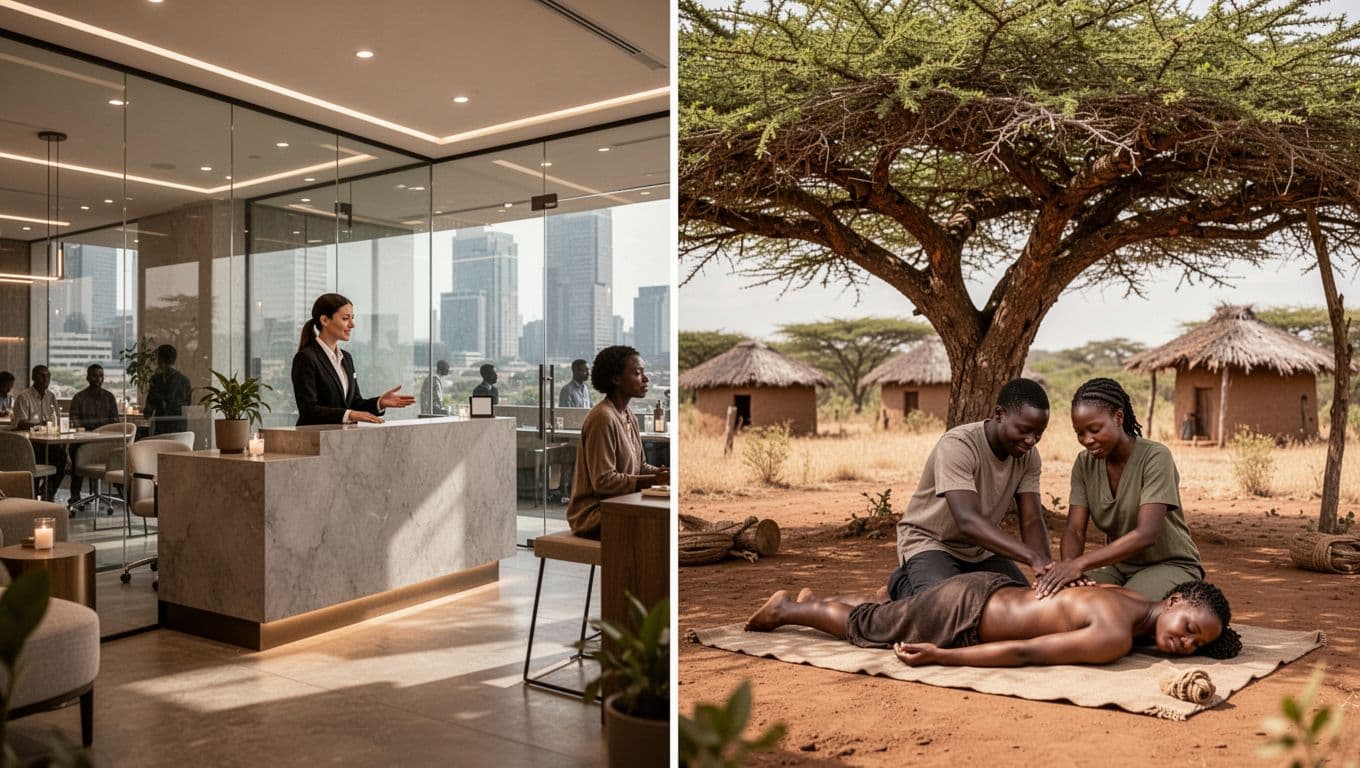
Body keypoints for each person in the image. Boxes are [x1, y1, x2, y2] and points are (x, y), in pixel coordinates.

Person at [744, 573, 1242, 667]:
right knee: (871, 629)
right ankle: (790, 608)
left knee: (891, 614)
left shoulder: (1132, 602)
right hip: (967, 613)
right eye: (1190, 629)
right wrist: (946, 656)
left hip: (987, 594)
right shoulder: (1115, 634)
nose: (1185, 644)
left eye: (1196, 646)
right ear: (1175, 602)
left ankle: (818, 599)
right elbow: (1025, 653)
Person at [1034, 378, 1204, 602]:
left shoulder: (1155, 457)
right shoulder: (1084, 464)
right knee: (1063, 599)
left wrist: (1080, 564)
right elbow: (1075, 530)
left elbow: (1147, 533)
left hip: (1170, 564)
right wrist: (1068, 571)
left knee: (1118, 609)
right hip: (1118, 567)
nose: (1087, 440)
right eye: (1079, 433)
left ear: (1119, 417)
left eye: (1094, 429)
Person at [888, 378, 1054, 600]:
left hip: (979, 549)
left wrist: (1047, 570)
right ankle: (901, 586)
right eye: (1024, 430)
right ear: (999, 414)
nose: (1031, 440)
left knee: (1020, 603)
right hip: (932, 542)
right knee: (947, 608)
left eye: (1038, 433)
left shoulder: (1028, 457)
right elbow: (967, 520)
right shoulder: (958, 445)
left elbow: (1031, 520)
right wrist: (1032, 558)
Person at [566, 345, 669, 538]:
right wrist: (654, 481)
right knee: (661, 526)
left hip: (621, 504)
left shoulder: (628, 414)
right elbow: (604, 481)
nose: (645, 379)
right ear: (616, 379)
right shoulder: (603, 418)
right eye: (637, 373)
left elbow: (640, 466)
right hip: (595, 515)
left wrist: (662, 474)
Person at [292, 292, 414, 425]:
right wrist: (350, 414)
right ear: (325, 320)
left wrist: (379, 402)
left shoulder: (346, 358)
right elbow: (309, 410)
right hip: (316, 439)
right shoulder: (306, 358)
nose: (352, 324)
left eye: (352, 318)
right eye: (345, 318)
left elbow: (354, 403)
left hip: (342, 439)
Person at [11, 365, 64, 501]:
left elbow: (56, 418)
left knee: (62, 457)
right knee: (36, 459)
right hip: (29, 443)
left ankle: (47, 493)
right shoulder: (24, 397)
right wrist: (42, 426)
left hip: (47, 442)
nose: (46, 379)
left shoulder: (51, 397)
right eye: (42, 375)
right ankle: (32, 495)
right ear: (34, 377)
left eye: (48, 376)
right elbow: (21, 423)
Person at [68, 363, 120, 501]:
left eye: (100, 376)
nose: (98, 379)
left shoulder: (109, 397)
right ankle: (75, 492)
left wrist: (102, 432)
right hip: (85, 440)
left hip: (105, 441)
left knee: (121, 451)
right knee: (75, 449)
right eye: (94, 376)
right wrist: (88, 433)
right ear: (87, 377)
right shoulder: (79, 398)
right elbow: (74, 420)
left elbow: (115, 422)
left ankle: (122, 492)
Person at [144, 344, 192, 436]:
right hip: (179, 430)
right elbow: (187, 406)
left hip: (162, 429)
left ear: (160, 359)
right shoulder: (185, 381)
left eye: (157, 357)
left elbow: (148, 411)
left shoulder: (156, 380)